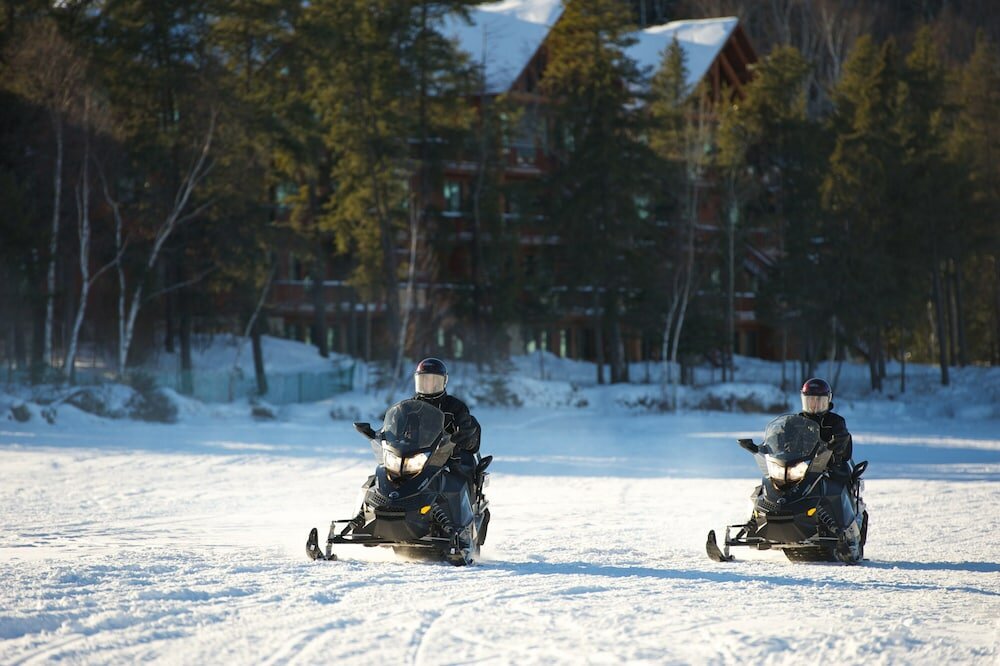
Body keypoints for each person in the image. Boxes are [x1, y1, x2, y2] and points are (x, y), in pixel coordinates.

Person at [411, 357, 483, 492]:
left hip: (447, 459)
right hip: (415, 459)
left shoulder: (455, 406)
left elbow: (466, 426)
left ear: (443, 382)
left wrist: (464, 436)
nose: (429, 385)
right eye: (424, 380)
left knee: (459, 482)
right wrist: (383, 435)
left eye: (434, 381)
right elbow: (397, 425)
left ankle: (465, 508)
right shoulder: (411, 407)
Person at [799, 377, 853, 483]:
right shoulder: (796, 421)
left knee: (841, 479)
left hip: (829, 467)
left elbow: (843, 440)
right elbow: (784, 438)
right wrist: (775, 441)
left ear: (827, 400)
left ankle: (844, 497)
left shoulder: (836, 421)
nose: (814, 404)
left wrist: (837, 442)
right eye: (810, 400)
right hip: (799, 466)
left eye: (818, 400)